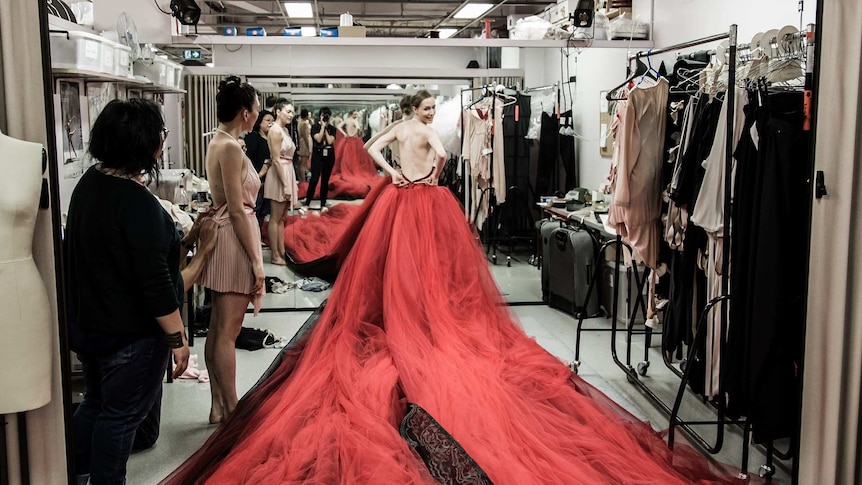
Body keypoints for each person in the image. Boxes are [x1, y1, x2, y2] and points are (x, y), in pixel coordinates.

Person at [162, 91, 730, 484]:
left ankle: (412, 320)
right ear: (420, 109)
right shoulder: (428, 132)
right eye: (429, 107)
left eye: (433, 108)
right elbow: (443, 156)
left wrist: (395, 175)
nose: (433, 114)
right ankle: (421, 324)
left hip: (403, 202)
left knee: (409, 273)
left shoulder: (405, 128)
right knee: (424, 275)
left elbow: (377, 146)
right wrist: (423, 171)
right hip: (424, 204)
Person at [66, 98, 219, 485]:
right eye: (160, 136)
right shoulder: (139, 206)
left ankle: (73, 470)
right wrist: (179, 339)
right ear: (147, 147)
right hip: (130, 339)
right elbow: (160, 287)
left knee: (98, 405)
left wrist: (186, 240)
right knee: (120, 419)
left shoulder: (90, 186)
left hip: (90, 328)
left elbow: (130, 257)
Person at [198, 76, 266, 424]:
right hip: (234, 237)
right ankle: (232, 408)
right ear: (246, 113)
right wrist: (257, 261)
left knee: (217, 327)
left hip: (226, 232)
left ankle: (218, 405)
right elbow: (238, 209)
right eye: (256, 107)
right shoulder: (228, 146)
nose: (258, 113)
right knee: (228, 330)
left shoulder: (221, 141)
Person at [262, 99, 298, 264]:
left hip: (286, 171)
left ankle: (281, 251)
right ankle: (275, 255)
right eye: (288, 111)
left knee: (282, 217)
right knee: (275, 217)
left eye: (292, 112)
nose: (292, 115)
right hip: (279, 174)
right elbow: (275, 160)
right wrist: (285, 184)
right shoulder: (275, 130)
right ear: (278, 112)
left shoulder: (284, 130)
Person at [243, 110, 274, 230]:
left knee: (264, 211)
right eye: (267, 120)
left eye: (272, 121)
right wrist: (259, 174)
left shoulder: (272, 138)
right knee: (256, 208)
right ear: (259, 122)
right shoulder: (253, 138)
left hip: (270, 180)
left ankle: (259, 234)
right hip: (257, 179)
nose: (270, 123)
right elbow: (248, 159)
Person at [304, 106, 336, 213]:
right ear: (320, 116)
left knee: (325, 181)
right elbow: (317, 138)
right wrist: (322, 127)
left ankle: (323, 204)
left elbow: (330, 141)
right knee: (314, 180)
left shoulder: (332, 128)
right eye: (323, 115)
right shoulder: (314, 127)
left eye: (327, 116)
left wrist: (326, 128)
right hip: (317, 155)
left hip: (329, 156)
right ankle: (307, 203)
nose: (325, 118)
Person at [296, 108, 312, 181]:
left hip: (300, 142)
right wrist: (308, 147)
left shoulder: (299, 122)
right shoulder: (304, 123)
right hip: (304, 144)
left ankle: (300, 178)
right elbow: (305, 136)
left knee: (300, 164)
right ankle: (303, 180)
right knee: (303, 163)